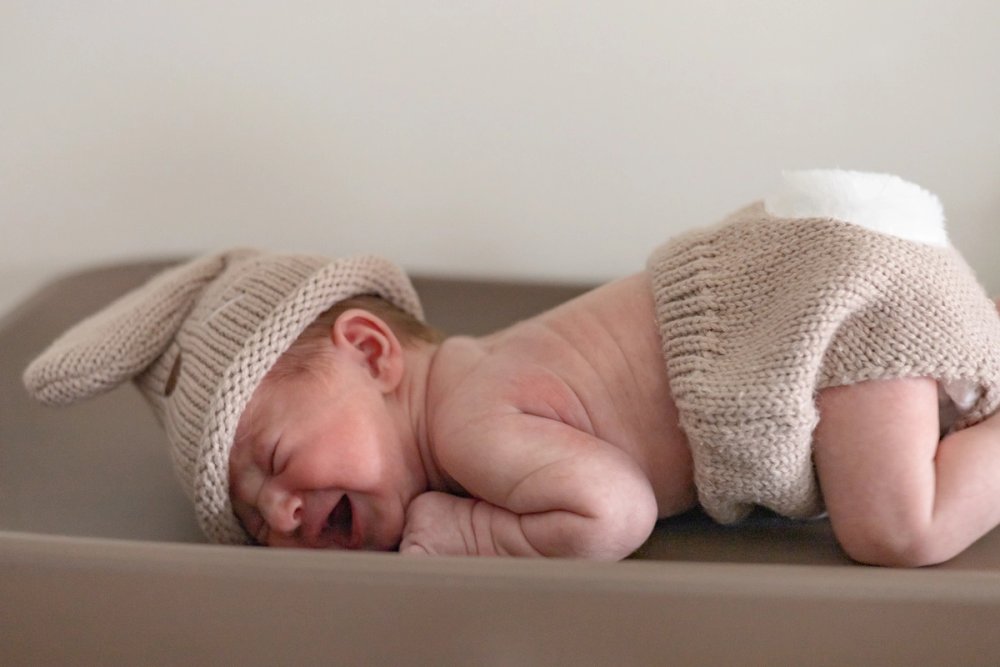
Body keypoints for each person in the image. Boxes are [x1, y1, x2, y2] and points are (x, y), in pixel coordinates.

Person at [24, 169, 1000, 566]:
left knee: (897, 528)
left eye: (272, 453)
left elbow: (609, 509)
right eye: (252, 517)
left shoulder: (469, 422)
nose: (279, 509)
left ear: (371, 353)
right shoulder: (486, 381)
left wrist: (469, 532)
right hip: (826, 278)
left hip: (831, 305)